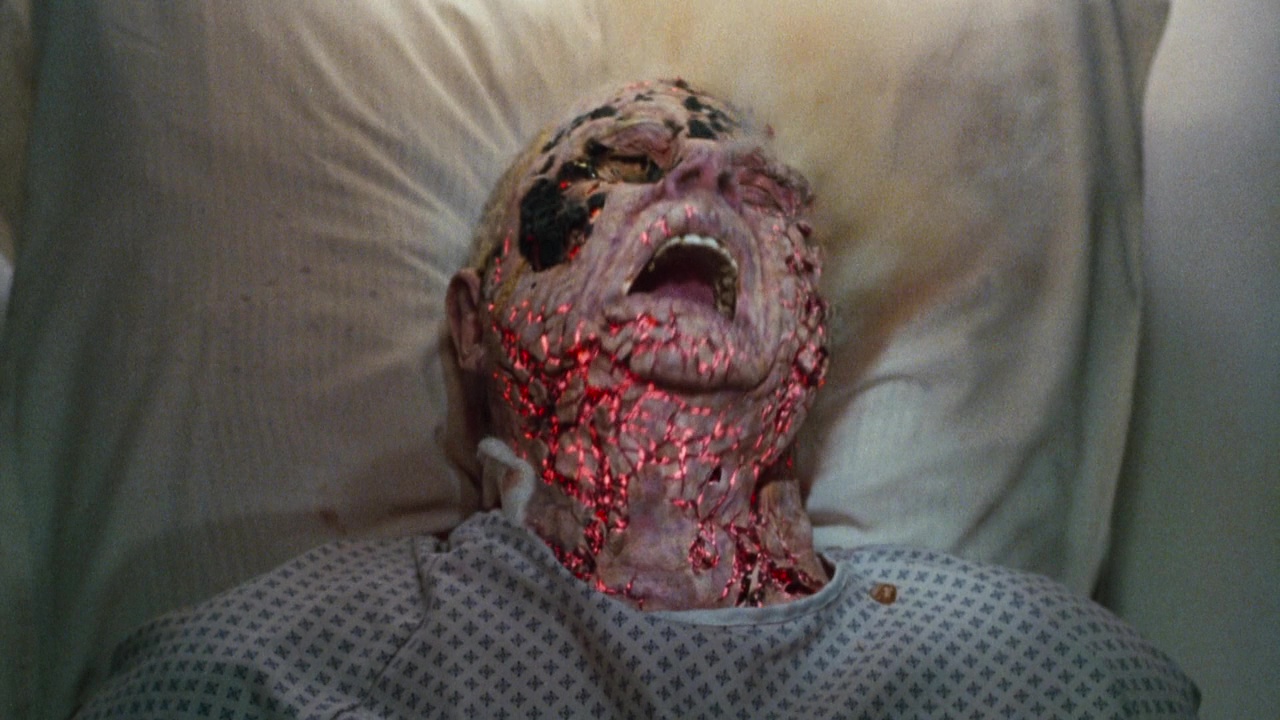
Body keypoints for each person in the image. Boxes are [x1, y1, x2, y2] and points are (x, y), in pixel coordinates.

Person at [74, 79, 1199, 719]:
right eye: (618, 162)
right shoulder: (260, 678)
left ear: (811, 332)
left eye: (760, 187)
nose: (704, 175)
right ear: (473, 321)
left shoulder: (1054, 680)